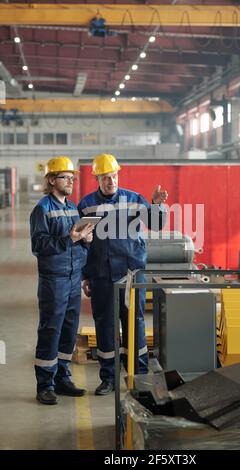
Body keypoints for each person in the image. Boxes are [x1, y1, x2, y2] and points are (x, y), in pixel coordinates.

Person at [78, 153, 168, 395]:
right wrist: (85, 276)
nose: (111, 181)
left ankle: (137, 375)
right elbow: (83, 244)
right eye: (106, 177)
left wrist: (158, 205)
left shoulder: (134, 199)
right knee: (104, 324)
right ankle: (108, 378)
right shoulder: (86, 205)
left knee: (134, 322)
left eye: (114, 176)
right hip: (101, 275)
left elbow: (157, 224)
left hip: (131, 273)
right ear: (97, 178)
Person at [30, 156, 94, 405]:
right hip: (53, 280)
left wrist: (85, 242)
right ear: (51, 180)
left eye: (72, 177)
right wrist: (70, 239)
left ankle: (62, 379)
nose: (71, 181)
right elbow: (39, 245)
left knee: (68, 330)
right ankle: (44, 384)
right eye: (66, 177)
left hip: (72, 278)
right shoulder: (42, 209)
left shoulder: (71, 207)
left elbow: (75, 242)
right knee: (51, 330)